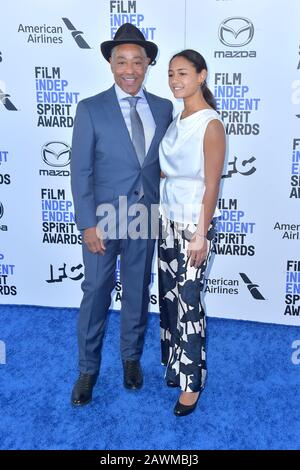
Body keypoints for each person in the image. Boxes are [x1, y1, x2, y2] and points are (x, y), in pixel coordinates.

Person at [70, 23, 173, 406]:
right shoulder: (91, 109)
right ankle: (87, 369)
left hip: (146, 218)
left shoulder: (163, 109)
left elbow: (163, 161)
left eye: (138, 61)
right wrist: (87, 224)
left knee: (136, 292)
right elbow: (80, 171)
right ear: (111, 64)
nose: (129, 69)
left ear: (148, 64)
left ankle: (131, 359)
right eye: (121, 61)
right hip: (104, 218)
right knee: (95, 292)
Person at [158, 49, 226, 416]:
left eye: (182, 73)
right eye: (170, 74)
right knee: (170, 300)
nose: (174, 80)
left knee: (189, 304)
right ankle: (176, 365)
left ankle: (192, 383)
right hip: (167, 221)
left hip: (193, 227)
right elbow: (168, 172)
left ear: (201, 75)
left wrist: (200, 235)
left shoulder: (210, 124)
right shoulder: (177, 118)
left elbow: (212, 185)